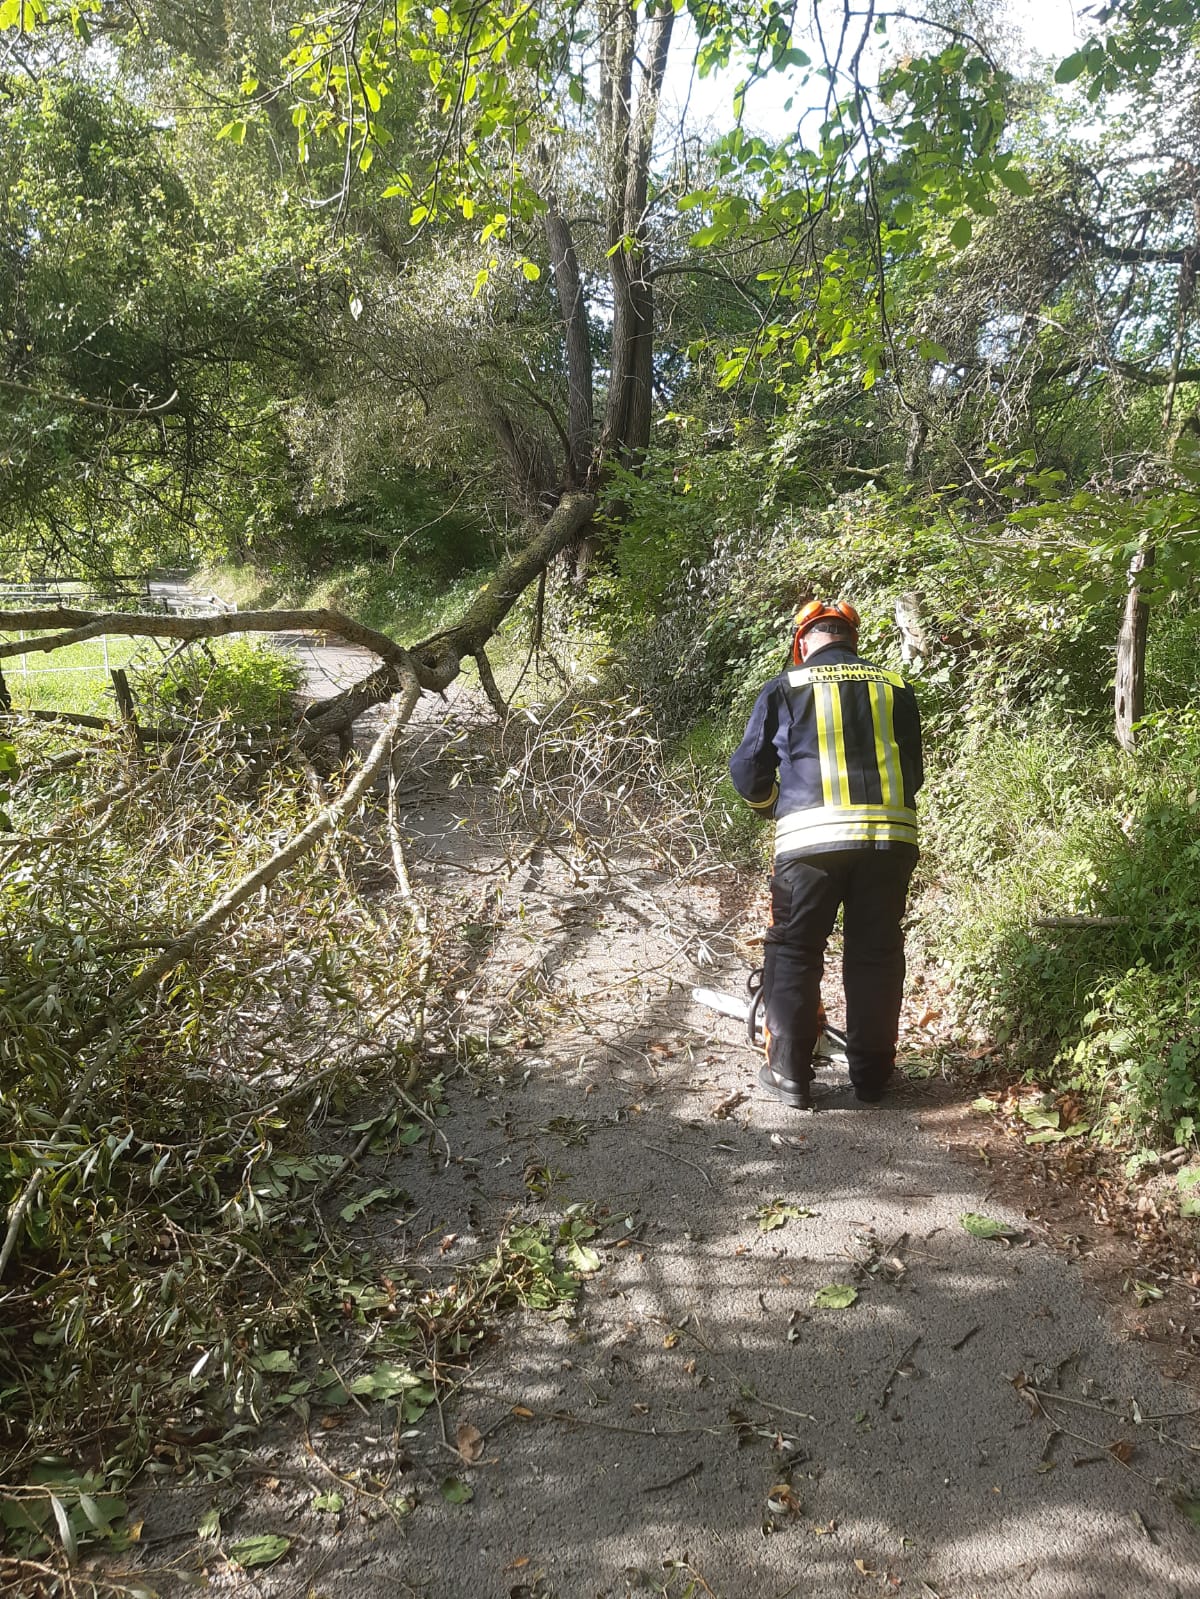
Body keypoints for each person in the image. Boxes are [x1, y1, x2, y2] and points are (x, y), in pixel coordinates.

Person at [728, 599, 923, 1109]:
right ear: (850, 638)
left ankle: (790, 1075)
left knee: (794, 951)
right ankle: (874, 1076)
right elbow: (913, 772)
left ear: (804, 640)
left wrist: (771, 805)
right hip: (887, 842)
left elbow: (748, 772)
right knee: (875, 953)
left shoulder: (785, 687)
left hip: (808, 847)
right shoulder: (895, 688)